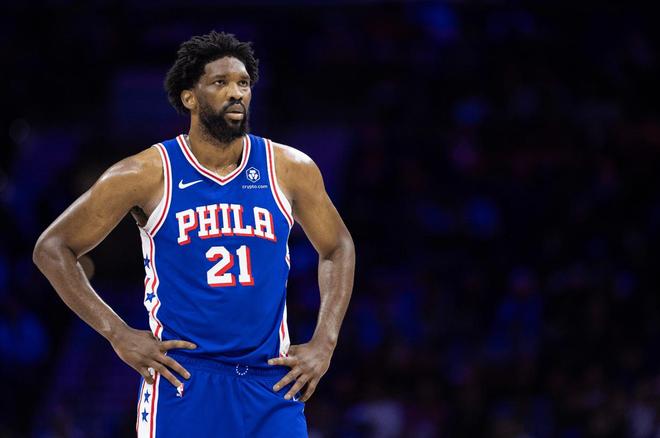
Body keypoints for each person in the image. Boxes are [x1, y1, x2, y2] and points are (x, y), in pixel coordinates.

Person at [33, 30, 355, 437]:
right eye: (221, 82)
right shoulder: (146, 172)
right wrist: (118, 333)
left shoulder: (290, 169)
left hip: (271, 384)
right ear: (189, 97)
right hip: (184, 381)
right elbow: (53, 248)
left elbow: (337, 246)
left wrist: (325, 342)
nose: (236, 93)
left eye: (243, 83)